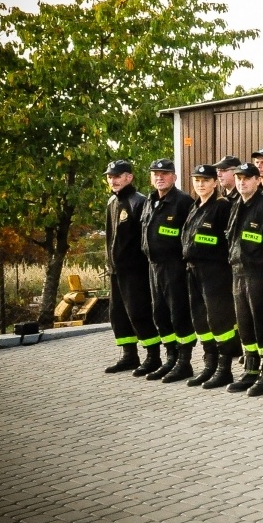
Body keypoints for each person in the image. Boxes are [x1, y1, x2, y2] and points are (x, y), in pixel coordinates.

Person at [181, 164, 243, 390]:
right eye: (197, 180)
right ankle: (209, 364)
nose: (200, 184)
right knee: (200, 320)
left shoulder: (221, 207)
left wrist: (202, 246)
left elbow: (226, 241)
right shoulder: (195, 206)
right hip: (193, 271)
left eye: (205, 180)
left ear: (215, 183)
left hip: (215, 272)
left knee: (220, 321)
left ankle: (224, 369)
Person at [101, 160, 162, 375]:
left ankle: (153, 356)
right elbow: (110, 238)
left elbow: (145, 238)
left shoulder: (139, 202)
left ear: (129, 177)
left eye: (117, 176)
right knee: (118, 314)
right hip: (116, 271)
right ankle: (129, 355)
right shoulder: (111, 202)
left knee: (139, 312)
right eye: (110, 177)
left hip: (136, 271)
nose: (113, 180)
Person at [140, 158, 195, 383]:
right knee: (160, 314)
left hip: (175, 267)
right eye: (155, 174)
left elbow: (188, 235)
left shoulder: (182, 201)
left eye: (164, 173)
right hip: (154, 266)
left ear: (174, 176)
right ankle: (170, 357)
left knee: (178, 314)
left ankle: (184, 361)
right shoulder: (150, 200)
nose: (159, 177)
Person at [226, 162, 263, 394]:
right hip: (238, 273)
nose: (242, 182)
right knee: (245, 325)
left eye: (247, 178)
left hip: (259, 274)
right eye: (238, 178)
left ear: (258, 181)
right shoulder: (236, 204)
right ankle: (250, 370)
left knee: (262, 323)